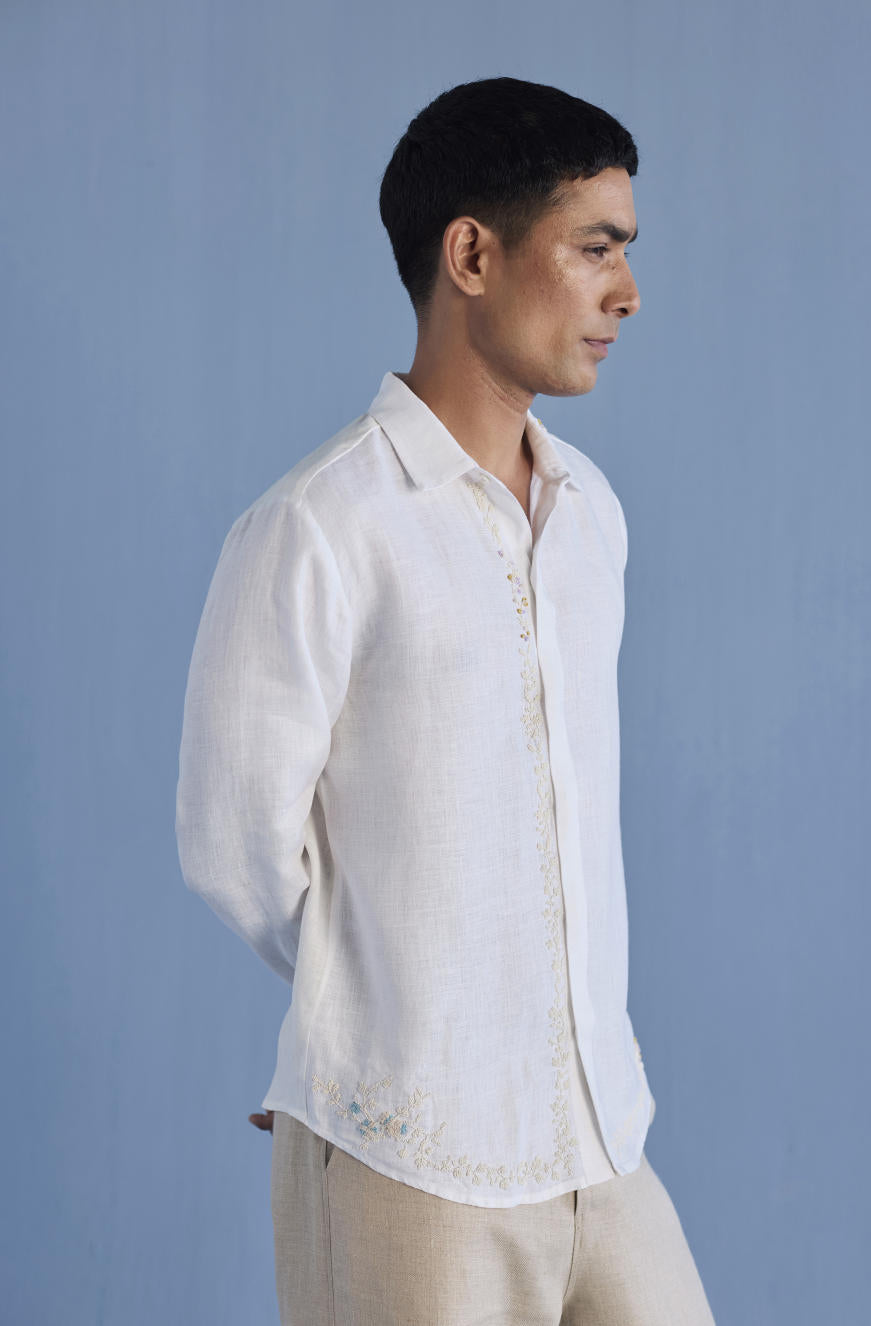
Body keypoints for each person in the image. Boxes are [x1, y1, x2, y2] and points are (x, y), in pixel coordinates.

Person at [175, 74, 715, 1325]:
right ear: (471, 255)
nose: (627, 293)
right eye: (595, 249)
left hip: (600, 1135)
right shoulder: (322, 527)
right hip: (411, 1159)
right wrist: (369, 1025)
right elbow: (231, 846)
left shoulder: (590, 516)